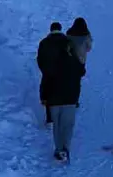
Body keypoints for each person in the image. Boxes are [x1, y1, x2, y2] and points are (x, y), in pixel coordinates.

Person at [44, 29, 85, 161]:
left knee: (62, 126)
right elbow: (81, 72)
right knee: (63, 126)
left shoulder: (59, 61)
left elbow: (47, 79)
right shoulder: (70, 60)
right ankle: (62, 149)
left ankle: (62, 149)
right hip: (64, 98)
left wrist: (45, 97)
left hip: (62, 99)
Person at [36, 22, 70, 125]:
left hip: (48, 73)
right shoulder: (67, 42)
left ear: (51, 30)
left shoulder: (44, 42)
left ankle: (50, 118)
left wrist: (45, 70)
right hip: (64, 73)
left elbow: (39, 59)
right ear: (60, 28)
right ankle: (63, 117)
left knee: (48, 95)